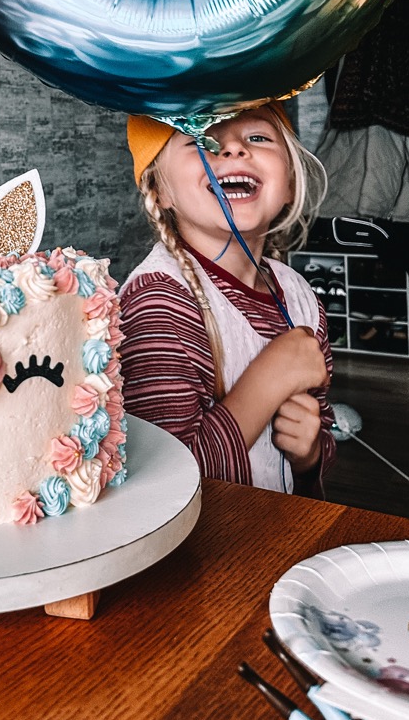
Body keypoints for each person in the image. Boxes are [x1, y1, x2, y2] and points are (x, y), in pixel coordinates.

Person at [120, 104, 335, 496]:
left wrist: (312, 455)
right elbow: (161, 487)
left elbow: (322, 431)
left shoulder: (301, 298)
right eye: (201, 139)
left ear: (287, 182)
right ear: (159, 189)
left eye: (258, 138)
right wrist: (269, 379)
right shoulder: (158, 302)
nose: (233, 149)